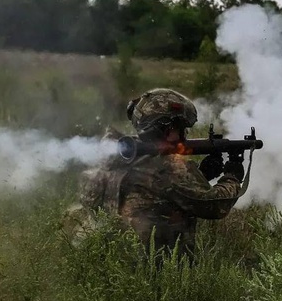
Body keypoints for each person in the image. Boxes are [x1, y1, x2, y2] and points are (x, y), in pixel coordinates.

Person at [76, 88, 247, 265]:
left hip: (112, 263)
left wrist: (202, 174)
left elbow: (155, 194)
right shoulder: (169, 167)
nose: (183, 135)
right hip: (155, 269)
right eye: (179, 128)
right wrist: (232, 176)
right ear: (166, 129)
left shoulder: (116, 156)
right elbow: (214, 205)